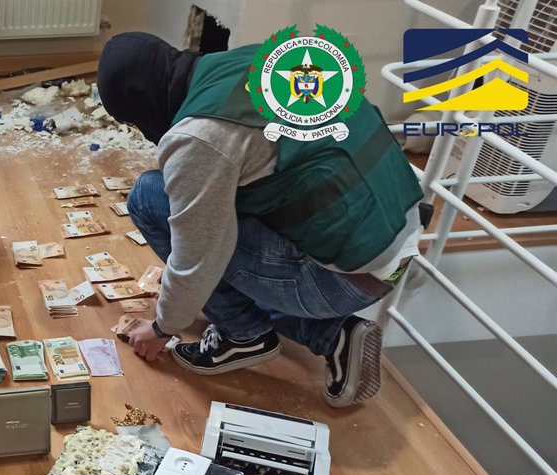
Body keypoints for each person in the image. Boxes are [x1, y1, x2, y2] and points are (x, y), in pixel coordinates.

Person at [98, 33, 424, 408]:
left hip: (346, 280)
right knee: (214, 215)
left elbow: (198, 261)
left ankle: (243, 334)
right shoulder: (252, 60)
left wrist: (161, 327)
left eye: (133, 121)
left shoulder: (199, 137)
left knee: (149, 196)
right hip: (398, 240)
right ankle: (331, 334)